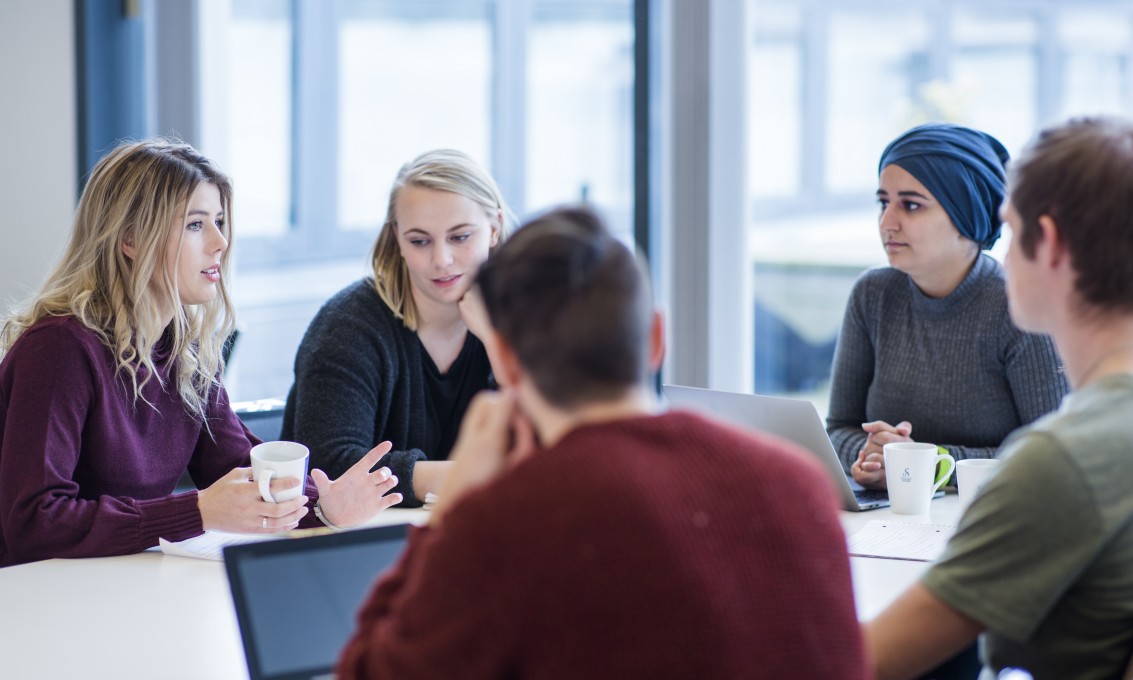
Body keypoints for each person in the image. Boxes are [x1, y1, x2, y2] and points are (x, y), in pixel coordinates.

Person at [336, 207, 868, 679]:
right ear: (657, 338)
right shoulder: (796, 481)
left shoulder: (506, 521)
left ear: (510, 362)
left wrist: (452, 515)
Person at [0, 139, 402, 568]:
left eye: (220, 221)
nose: (220, 242)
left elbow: (242, 470)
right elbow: (33, 524)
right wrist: (197, 510)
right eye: (196, 225)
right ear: (131, 239)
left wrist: (324, 506)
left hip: (117, 588)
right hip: (35, 601)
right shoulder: (58, 349)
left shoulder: (183, 352)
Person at [866, 116, 1133, 679]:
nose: (1002, 256)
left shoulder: (1061, 461)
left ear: (1051, 245)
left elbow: (863, 664)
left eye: (1009, 231)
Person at [826, 122, 1067, 489]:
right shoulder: (871, 294)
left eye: (910, 205)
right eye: (883, 202)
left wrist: (925, 462)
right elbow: (838, 428)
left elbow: (1051, 453)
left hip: (991, 514)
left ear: (965, 214)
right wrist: (872, 456)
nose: (887, 222)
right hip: (893, 516)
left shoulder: (1019, 308)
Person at [281, 149, 511, 506]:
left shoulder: (525, 316)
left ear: (493, 229)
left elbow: (554, 443)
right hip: (363, 543)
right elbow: (328, 468)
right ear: (396, 237)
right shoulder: (350, 325)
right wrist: (465, 475)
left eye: (460, 237)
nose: (441, 260)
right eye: (419, 241)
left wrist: (499, 346)